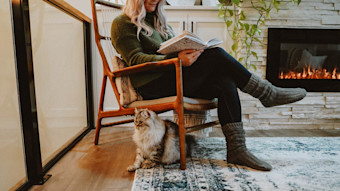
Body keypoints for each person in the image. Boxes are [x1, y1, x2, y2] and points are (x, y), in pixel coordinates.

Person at [111, 0, 307, 171]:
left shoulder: (156, 20)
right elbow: (136, 60)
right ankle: (267, 93)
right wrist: (177, 59)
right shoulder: (122, 23)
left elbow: (168, 51)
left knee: (225, 82)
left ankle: (237, 150)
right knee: (217, 55)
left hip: (174, 77)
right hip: (151, 85)